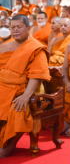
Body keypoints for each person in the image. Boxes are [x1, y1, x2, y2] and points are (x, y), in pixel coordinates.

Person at [0, 14, 50, 157]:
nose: (15, 30)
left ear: (28, 28)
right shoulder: (4, 47)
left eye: (19, 27)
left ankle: (9, 146)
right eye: (13, 27)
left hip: (25, 90)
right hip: (3, 87)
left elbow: (37, 75)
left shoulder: (36, 48)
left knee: (18, 109)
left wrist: (26, 96)